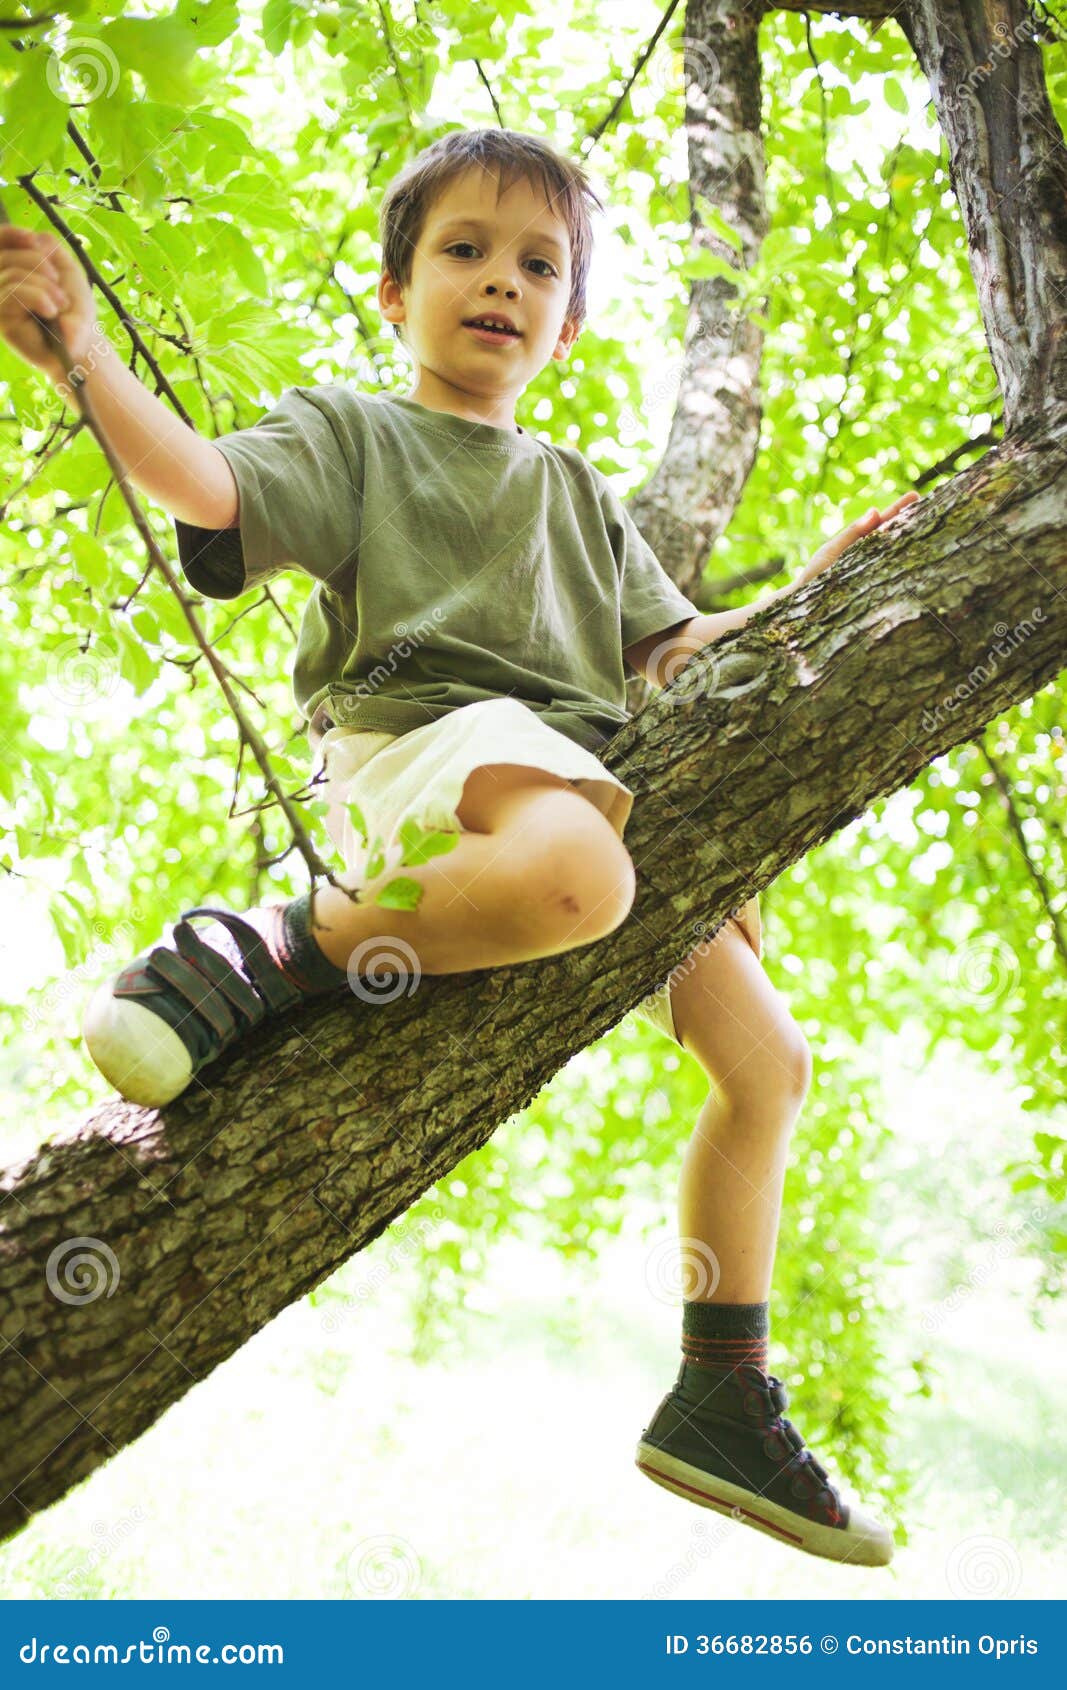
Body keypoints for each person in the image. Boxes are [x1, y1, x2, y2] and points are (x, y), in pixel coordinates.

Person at [0, 127, 918, 1567]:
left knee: (768, 1060)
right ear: (395, 291)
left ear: (568, 320)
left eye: (538, 264)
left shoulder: (575, 495)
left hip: (567, 783)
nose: (501, 282)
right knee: (580, 875)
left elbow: (679, 651)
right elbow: (206, 487)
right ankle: (268, 945)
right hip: (421, 756)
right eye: (465, 251)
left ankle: (722, 1387)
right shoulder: (357, 436)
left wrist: (828, 585)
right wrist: (84, 365)